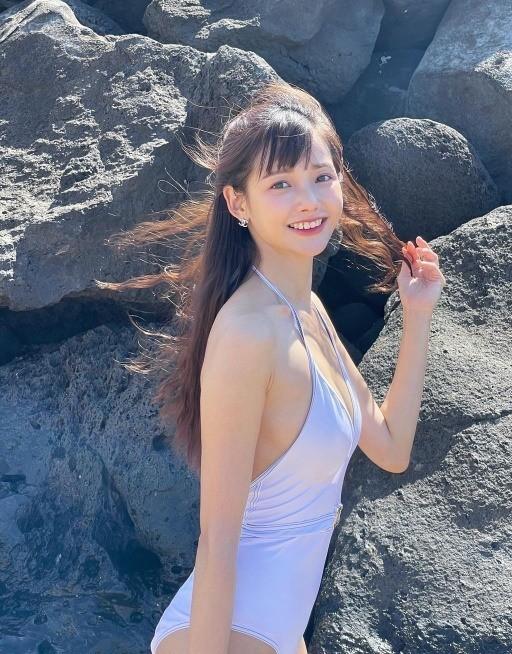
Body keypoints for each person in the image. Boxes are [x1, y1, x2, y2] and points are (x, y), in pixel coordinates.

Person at [95, 79, 446, 654]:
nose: (308, 200)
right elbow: (218, 539)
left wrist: (417, 315)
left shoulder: (306, 309)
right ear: (239, 204)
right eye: (280, 184)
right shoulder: (247, 334)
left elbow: (390, 447)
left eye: (321, 177)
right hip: (225, 636)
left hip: (278, 632)